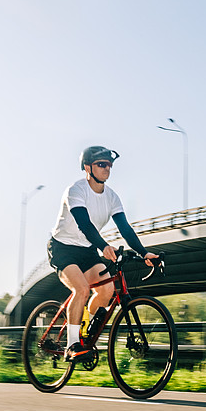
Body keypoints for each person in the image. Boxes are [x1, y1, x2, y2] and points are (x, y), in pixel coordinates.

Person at [47, 145, 159, 363]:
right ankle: (71, 346)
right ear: (88, 167)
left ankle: (85, 333)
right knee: (82, 289)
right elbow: (85, 225)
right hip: (63, 248)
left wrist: (144, 253)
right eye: (101, 164)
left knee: (107, 289)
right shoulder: (76, 190)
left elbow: (125, 229)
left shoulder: (112, 197)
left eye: (109, 165)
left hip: (86, 250)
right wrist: (104, 246)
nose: (107, 168)